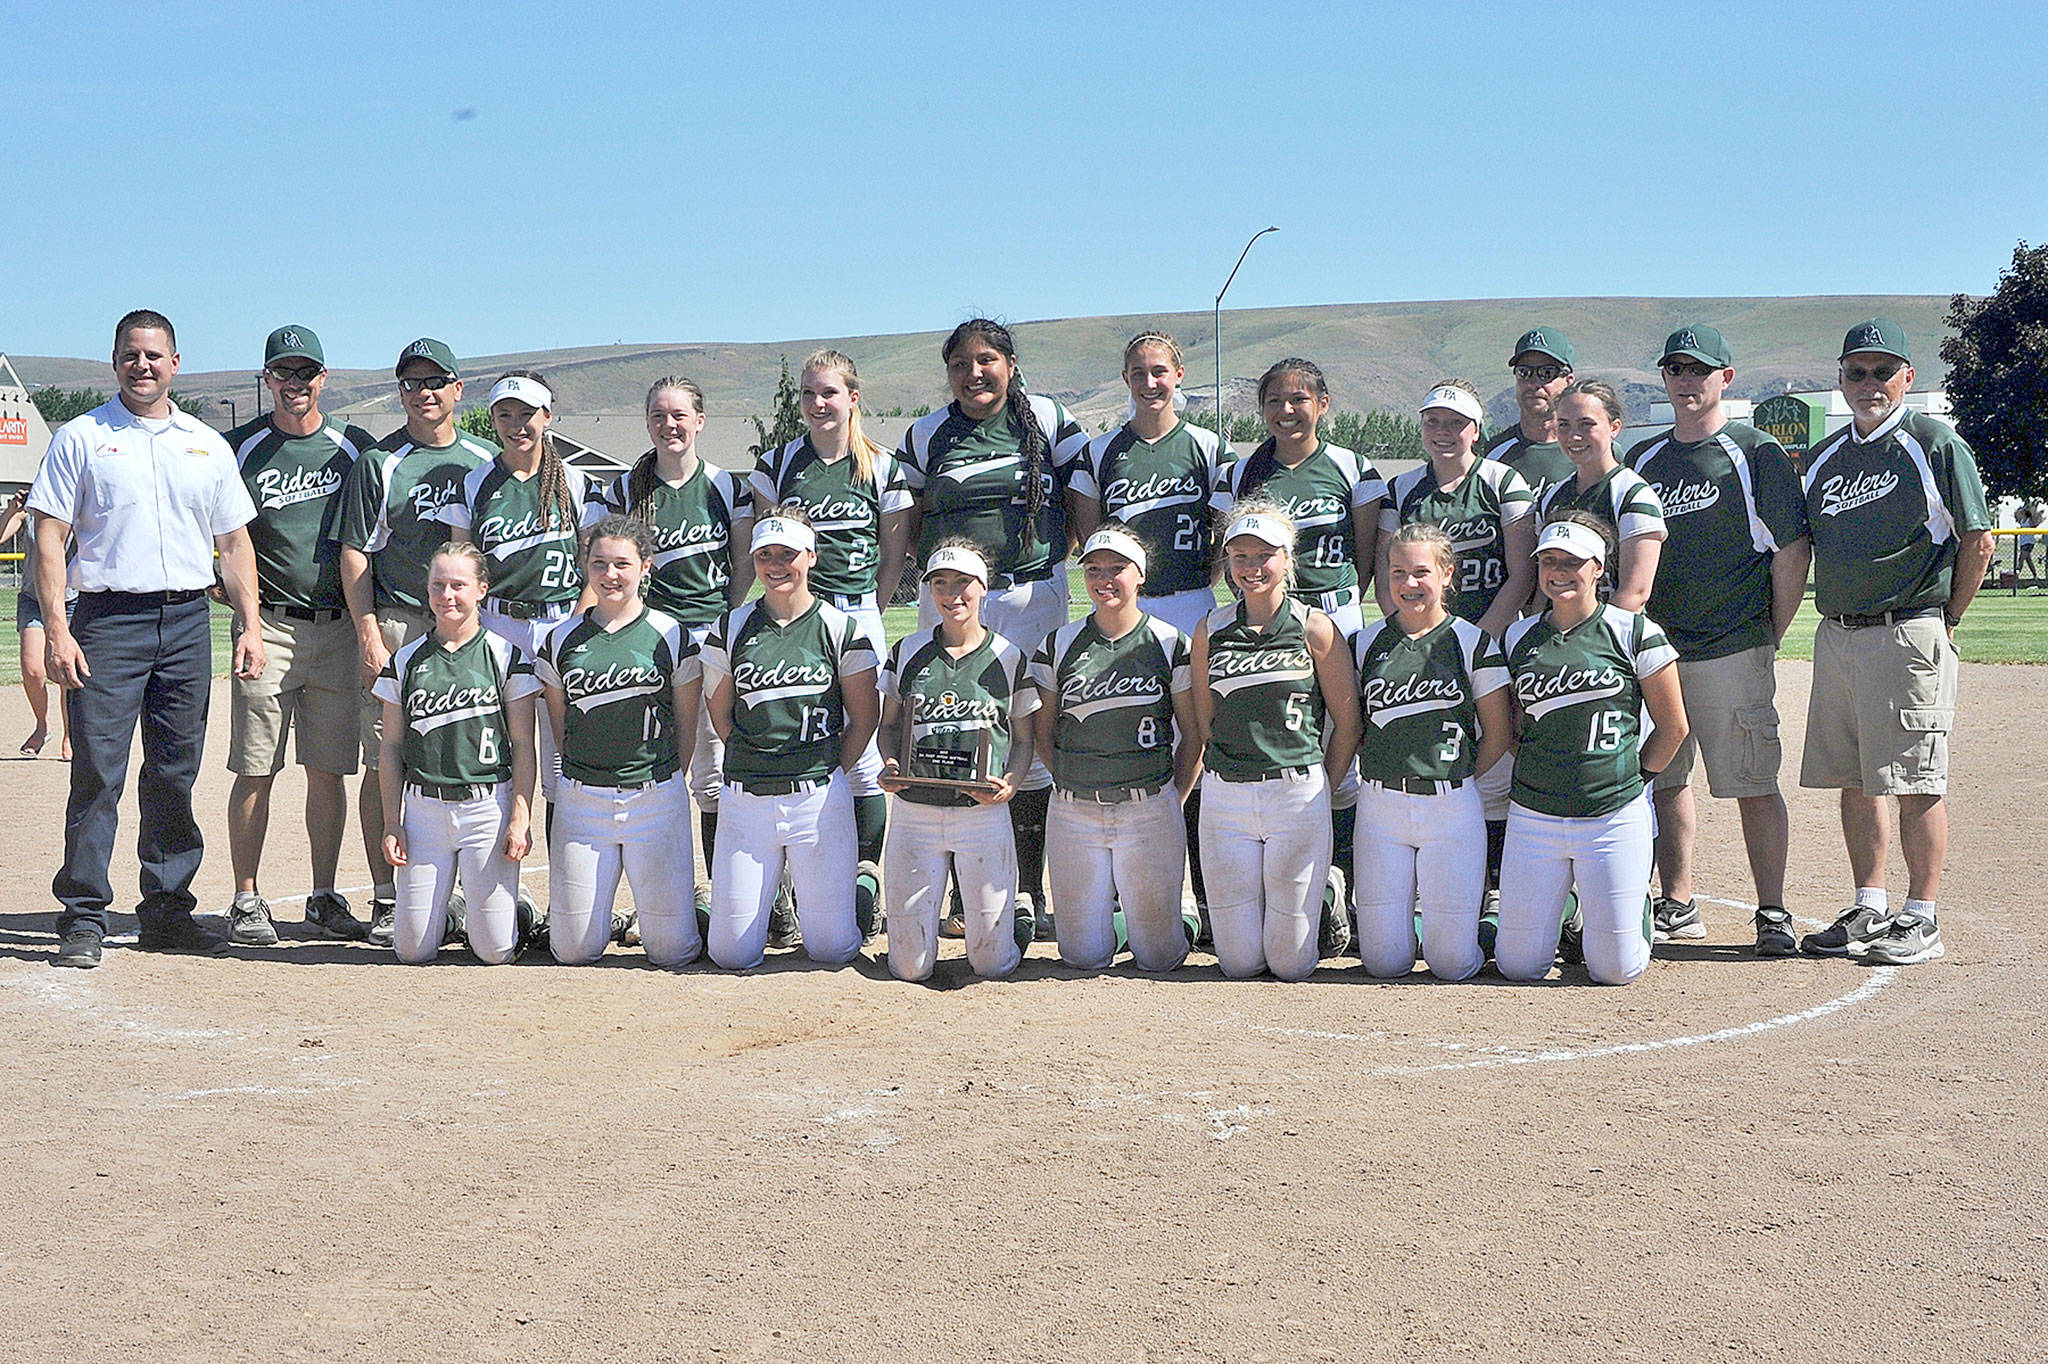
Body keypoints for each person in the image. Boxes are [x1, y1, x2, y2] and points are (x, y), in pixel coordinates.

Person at [32, 309, 265, 969]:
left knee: (172, 772)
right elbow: (47, 532)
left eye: (155, 355)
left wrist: (247, 623)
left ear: (175, 363)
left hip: (189, 622)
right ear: (115, 361)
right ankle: (82, 916)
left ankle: (166, 911)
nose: (143, 366)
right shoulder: (81, 437)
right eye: (131, 355)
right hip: (106, 622)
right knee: (98, 774)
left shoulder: (205, 444)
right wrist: (57, 628)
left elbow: (234, 541)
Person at [1796, 319, 1994, 965]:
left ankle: (1922, 915)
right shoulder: (1826, 456)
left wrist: (1947, 619)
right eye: (1857, 372)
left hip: (1906, 628)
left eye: (1884, 371)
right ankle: (1869, 905)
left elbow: (1978, 539)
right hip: (1840, 633)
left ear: (1908, 377)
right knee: (1857, 780)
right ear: (1841, 380)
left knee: (1915, 780)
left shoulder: (1932, 441)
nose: (1869, 384)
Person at [897, 319, 1089, 938]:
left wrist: (1079, 558)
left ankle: (1027, 890)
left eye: (986, 361)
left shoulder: (1050, 420)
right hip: (952, 596)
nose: (973, 374)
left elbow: (1082, 504)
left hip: (1030, 591)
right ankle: (961, 892)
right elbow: (911, 515)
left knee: (1025, 732)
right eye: (959, 364)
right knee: (951, 724)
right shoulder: (928, 432)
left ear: (1009, 363)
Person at [1627, 326, 1811, 955]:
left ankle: (1772, 910)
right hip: (1660, 655)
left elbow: (1791, 551)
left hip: (1732, 644)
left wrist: (1768, 633)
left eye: (1699, 370)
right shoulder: (1646, 460)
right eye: (1675, 369)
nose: (1686, 380)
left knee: (1752, 781)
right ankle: (1677, 902)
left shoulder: (1754, 451)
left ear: (1725, 379)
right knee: (1664, 778)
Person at [1212, 356, 1386, 925]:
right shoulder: (1244, 472)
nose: (1287, 411)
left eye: (1299, 399)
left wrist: (1341, 610)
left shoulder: (1350, 465)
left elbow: (1365, 554)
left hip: (1332, 612)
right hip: (1265, 615)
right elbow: (1226, 549)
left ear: (1323, 404)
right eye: (1274, 402)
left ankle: (1345, 884)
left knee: (1347, 746)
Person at [219, 325, 376, 946]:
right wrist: (222, 589)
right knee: (256, 767)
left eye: (306, 373)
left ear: (323, 378)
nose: (295, 384)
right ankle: (246, 897)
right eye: (283, 373)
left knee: (328, 770)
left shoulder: (355, 447)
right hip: (270, 628)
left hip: (338, 629)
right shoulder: (238, 447)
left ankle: (322, 893)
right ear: (266, 380)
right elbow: (210, 526)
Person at [338, 337, 498, 945]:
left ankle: (467, 891)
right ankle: (386, 896)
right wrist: (370, 632)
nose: (424, 393)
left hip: (470, 623)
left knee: (470, 752)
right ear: (400, 391)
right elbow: (355, 551)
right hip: (402, 620)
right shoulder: (379, 462)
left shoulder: (485, 459)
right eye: (411, 383)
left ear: (458, 389)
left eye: (436, 382)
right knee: (387, 759)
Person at [1068, 330, 1228, 932]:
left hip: (1188, 601)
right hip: (1127, 606)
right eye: (1138, 372)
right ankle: (1123, 894)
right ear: (1126, 379)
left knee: (1198, 742)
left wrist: (1195, 588)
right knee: (1122, 725)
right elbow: (1090, 538)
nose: (1149, 381)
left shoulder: (1209, 448)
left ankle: (1206, 901)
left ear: (1179, 375)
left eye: (1159, 371)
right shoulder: (1102, 449)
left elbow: (1221, 532)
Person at [752, 349, 911, 930]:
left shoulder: (882, 467)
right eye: (809, 394)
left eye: (830, 393)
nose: (819, 404)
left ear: (853, 398)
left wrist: (867, 611)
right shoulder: (778, 464)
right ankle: (789, 883)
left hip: (855, 613)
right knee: (795, 733)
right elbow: (768, 547)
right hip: (792, 613)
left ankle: (866, 874)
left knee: (865, 755)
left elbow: (893, 558)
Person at [1496, 514, 1688, 985]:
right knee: (1518, 967)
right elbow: (1514, 730)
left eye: (1572, 562)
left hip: (1611, 814)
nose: (1558, 571)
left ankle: (1632, 905)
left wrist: (1631, 782)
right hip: (1535, 813)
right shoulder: (1520, 638)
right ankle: (1572, 908)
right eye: (1548, 561)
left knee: (1615, 970)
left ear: (1599, 568)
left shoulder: (1633, 632)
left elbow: (1673, 727)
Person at [1377, 380, 1536, 929]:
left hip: (1487, 638)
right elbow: (1386, 574)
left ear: (1476, 429)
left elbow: (1521, 574)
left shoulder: (1500, 481)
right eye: (1433, 422)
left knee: (1494, 760)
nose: (1444, 433)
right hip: (1423, 642)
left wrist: (1479, 643)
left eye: (1456, 423)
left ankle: (1493, 888)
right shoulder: (1402, 489)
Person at [590, 375, 753, 909]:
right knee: (653, 765)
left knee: (709, 774)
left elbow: (742, 567)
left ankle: (720, 896)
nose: (669, 425)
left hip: (707, 641)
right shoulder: (625, 490)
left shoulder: (726, 486)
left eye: (679, 415)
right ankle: (660, 897)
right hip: (648, 642)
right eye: (659, 415)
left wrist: (720, 622)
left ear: (700, 421)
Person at [699, 509, 881, 969]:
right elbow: (721, 714)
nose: (776, 565)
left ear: (812, 557)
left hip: (817, 799)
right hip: (745, 801)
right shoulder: (731, 627)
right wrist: (757, 760)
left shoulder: (840, 628)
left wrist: (823, 770)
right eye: (765, 555)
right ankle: (712, 907)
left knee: (831, 949)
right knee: (731, 954)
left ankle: (863, 885)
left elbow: (863, 718)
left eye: (787, 554)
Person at [1191, 504, 1361, 981]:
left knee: (1291, 965)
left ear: (1287, 558)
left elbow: (1347, 723)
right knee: (1239, 964)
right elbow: (1206, 723)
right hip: (1227, 795)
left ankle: (1326, 896)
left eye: (1264, 555)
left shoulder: (1314, 627)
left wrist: (1318, 787)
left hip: (1296, 790)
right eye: (1240, 556)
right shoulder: (1211, 628)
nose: (1251, 567)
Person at [437, 370, 594, 863]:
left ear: (547, 417)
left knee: (560, 760)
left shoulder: (574, 480)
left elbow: (594, 561)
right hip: (500, 624)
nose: (515, 424)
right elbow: (461, 562)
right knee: (499, 751)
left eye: (526, 414)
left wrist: (579, 627)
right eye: (504, 414)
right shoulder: (477, 481)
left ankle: (565, 896)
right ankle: (495, 890)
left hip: (560, 621)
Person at [534, 516, 703, 967]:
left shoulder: (671, 635)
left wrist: (664, 781)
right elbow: (559, 726)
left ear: (646, 566)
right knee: (572, 950)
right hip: (583, 802)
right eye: (600, 564)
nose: (611, 575)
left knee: (671, 952)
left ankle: (699, 909)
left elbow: (686, 724)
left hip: (655, 797)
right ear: (585, 568)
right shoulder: (561, 639)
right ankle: (602, 917)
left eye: (623, 564)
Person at [1032, 525, 1201, 972]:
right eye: (1093, 569)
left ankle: (1182, 920)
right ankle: (1120, 926)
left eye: (1117, 569)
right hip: (1074, 810)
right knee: (1083, 957)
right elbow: (1043, 732)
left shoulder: (1169, 643)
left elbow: (1193, 734)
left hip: (1148, 805)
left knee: (1159, 958)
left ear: (1140, 575)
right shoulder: (1059, 644)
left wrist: (1169, 798)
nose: (1104, 579)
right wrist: (1073, 779)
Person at [1352, 523, 1513, 981]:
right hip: (1381, 805)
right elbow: (1354, 728)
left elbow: (1497, 735)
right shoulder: (1364, 643)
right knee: (1384, 963)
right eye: (1398, 572)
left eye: (1421, 572)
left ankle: (1487, 929)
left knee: (1451, 964)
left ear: (1446, 574)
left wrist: (1457, 779)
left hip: (1452, 803)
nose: (1408, 584)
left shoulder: (1472, 641)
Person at [877, 541, 1037, 982]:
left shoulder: (1008, 656)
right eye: (941, 584)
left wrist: (1011, 782)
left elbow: (1024, 739)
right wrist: (891, 763)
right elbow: (888, 726)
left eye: (963, 583)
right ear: (929, 591)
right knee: (909, 968)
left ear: (983, 588)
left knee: (990, 964)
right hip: (916, 810)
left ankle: (1017, 918)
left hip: (981, 813)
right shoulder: (907, 652)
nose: (952, 594)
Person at [374, 542, 539, 964]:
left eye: (459, 585)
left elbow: (522, 745)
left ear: (482, 589)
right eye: (438, 585)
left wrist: (520, 817)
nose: (447, 595)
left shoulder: (505, 656)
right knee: (411, 950)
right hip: (425, 809)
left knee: (495, 951)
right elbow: (391, 747)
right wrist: (394, 822)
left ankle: (519, 908)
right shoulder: (407, 661)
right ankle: (453, 914)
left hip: (488, 807)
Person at [1540, 379, 1665, 612]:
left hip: (1613, 639)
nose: (1574, 436)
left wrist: (1592, 641)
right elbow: (1541, 589)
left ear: (1614, 428)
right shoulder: (1551, 497)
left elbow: (1635, 593)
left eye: (1586, 425)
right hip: (1558, 638)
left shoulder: (1632, 495)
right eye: (1564, 425)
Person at [2, 490, 72, 759]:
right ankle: (42, 727)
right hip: (34, 598)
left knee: (66, 672)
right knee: (33, 669)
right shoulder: (27, 511)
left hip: (71, 600)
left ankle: (70, 735)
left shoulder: (74, 505)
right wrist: (11, 510)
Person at [1482, 328, 1580, 506]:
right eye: (1524, 372)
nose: (1533, 383)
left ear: (1568, 381)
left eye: (1546, 373)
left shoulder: (1593, 449)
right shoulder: (1493, 454)